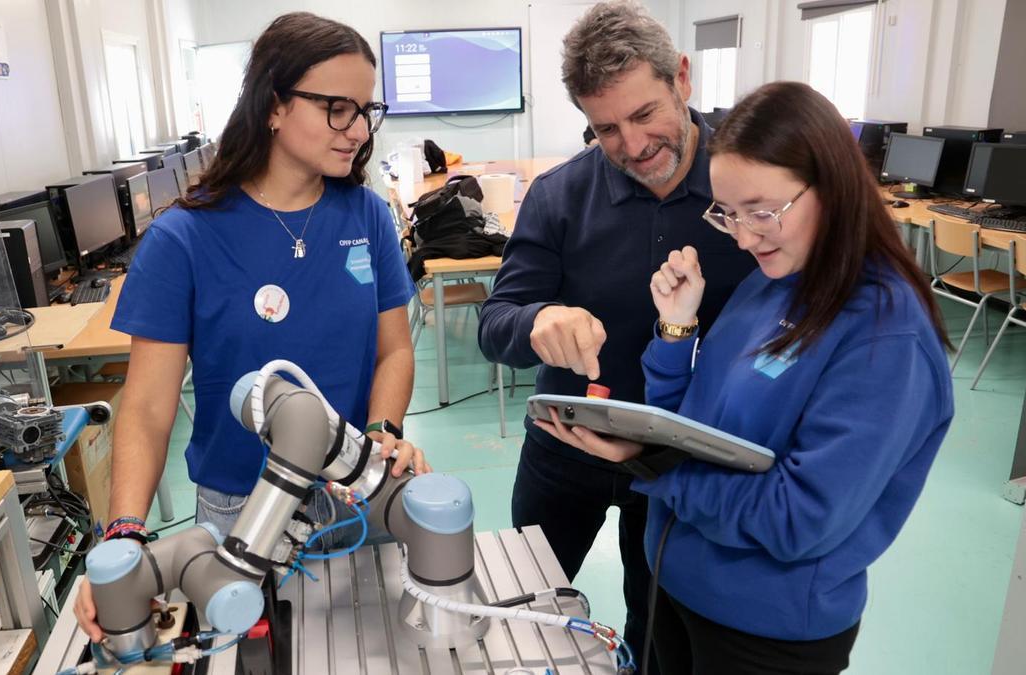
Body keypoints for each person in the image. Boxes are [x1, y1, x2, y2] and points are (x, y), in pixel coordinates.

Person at [535, 81, 954, 674]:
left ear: (832, 186)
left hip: (764, 631)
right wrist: (676, 330)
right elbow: (695, 426)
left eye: (761, 212)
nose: (745, 236)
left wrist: (655, 465)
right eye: (727, 214)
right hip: (675, 587)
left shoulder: (885, 334)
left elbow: (798, 518)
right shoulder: (773, 279)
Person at [75, 12, 430, 640]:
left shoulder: (368, 217)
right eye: (337, 109)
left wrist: (382, 433)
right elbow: (149, 407)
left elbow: (394, 352)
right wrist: (125, 535)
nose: (357, 131)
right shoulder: (183, 239)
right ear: (272, 106)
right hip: (241, 511)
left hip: (353, 492)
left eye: (365, 111)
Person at [477, 0, 756, 659]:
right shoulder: (558, 196)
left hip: (681, 459)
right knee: (525, 615)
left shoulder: (748, 185)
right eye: (605, 128)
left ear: (682, 77)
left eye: (644, 114)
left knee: (654, 627)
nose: (632, 146)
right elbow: (496, 322)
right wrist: (538, 319)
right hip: (564, 445)